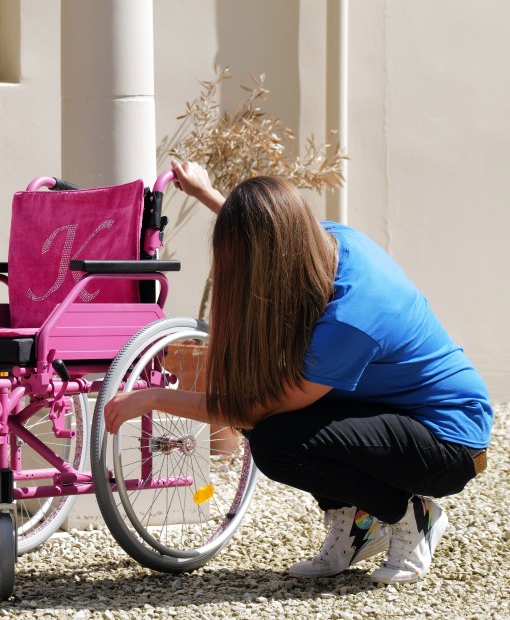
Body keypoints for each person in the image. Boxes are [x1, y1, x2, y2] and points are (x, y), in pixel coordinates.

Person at [104, 159, 492, 584]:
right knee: (283, 427)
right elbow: (272, 236)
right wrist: (208, 194)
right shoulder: (331, 242)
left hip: (446, 441)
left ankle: (409, 514)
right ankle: (358, 525)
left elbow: (253, 412)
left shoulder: (351, 318)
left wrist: (153, 397)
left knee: (277, 441)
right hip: (393, 414)